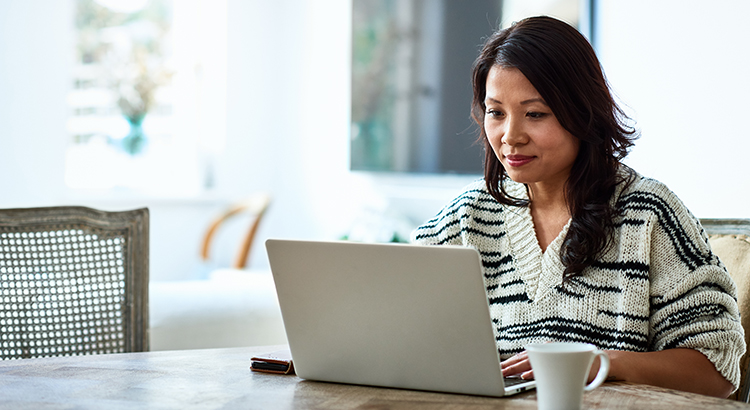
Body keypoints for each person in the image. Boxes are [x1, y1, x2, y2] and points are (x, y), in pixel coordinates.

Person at [411, 16, 745, 398]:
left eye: (535, 114)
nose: (510, 136)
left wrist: (601, 363)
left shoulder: (649, 214)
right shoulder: (465, 217)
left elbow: (716, 371)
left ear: (582, 112)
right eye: (496, 112)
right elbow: (399, 333)